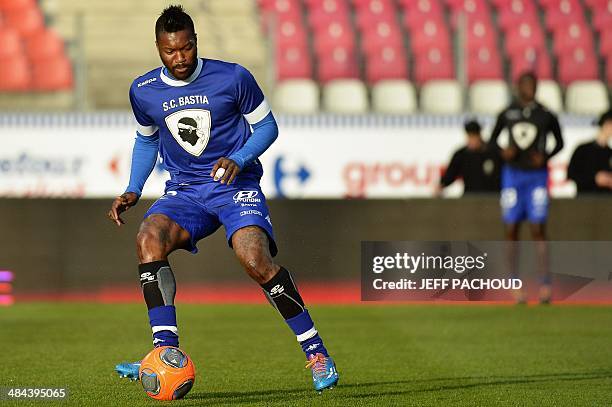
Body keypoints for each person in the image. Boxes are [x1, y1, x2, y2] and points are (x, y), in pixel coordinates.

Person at [107, 6, 338, 393]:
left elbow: (267, 127)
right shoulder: (143, 90)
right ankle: (166, 355)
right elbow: (146, 140)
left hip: (236, 185)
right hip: (186, 192)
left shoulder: (233, 77)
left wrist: (241, 157)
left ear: (195, 42)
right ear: (158, 48)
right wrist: (133, 187)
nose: (178, 58)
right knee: (149, 238)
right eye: (169, 51)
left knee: (255, 259)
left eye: (185, 48)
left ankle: (316, 352)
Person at [488, 71, 564, 304]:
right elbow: (492, 141)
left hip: (537, 177)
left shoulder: (545, 114)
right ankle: (514, 284)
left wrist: (546, 156)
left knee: (538, 228)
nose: (529, 88)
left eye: (532, 84)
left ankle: (544, 284)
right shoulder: (507, 113)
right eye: (525, 84)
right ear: (518, 86)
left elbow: (560, 142)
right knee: (511, 229)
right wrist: (503, 152)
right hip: (512, 176)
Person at [438, 119, 501, 195]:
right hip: (469, 198)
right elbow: (450, 175)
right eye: (469, 136)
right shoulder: (461, 155)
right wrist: (441, 186)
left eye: (474, 136)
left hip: (491, 197)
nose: (472, 140)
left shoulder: (493, 152)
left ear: (479, 136)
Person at [567, 110, 612, 195]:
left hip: (607, 202)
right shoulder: (583, 150)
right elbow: (571, 174)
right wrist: (594, 178)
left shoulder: (609, 153)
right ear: (605, 123)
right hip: (585, 200)